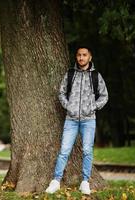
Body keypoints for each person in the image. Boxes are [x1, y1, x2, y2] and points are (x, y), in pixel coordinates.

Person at [45, 47, 108, 195]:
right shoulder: (70, 74)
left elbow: (104, 96)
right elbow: (61, 92)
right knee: (64, 151)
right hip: (71, 120)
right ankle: (55, 181)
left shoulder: (96, 76)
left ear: (89, 57)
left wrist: (93, 107)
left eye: (84, 55)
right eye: (79, 55)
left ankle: (85, 182)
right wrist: (69, 107)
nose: (81, 57)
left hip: (89, 120)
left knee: (87, 151)